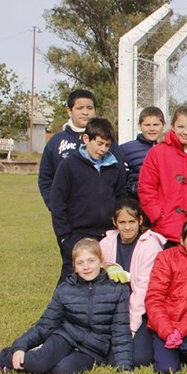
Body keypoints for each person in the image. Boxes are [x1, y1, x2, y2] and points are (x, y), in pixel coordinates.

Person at [0, 238, 132, 374]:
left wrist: (124, 366)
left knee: (63, 372)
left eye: (91, 261)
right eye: (80, 263)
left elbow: (121, 330)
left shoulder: (118, 289)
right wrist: (19, 346)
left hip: (92, 349)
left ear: (101, 261)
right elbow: (45, 324)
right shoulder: (65, 289)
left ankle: (18, 367)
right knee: (40, 362)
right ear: (74, 266)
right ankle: (4, 357)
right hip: (66, 337)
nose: (86, 267)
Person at [50, 117, 126, 283]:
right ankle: (59, 310)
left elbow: (121, 198)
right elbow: (58, 202)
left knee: (104, 279)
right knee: (71, 281)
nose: (103, 149)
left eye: (107, 145)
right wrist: (64, 236)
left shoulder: (114, 167)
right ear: (86, 139)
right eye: (99, 143)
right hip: (77, 234)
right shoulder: (69, 165)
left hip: (107, 234)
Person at [99, 198, 166, 367]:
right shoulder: (106, 243)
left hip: (142, 311)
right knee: (106, 355)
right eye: (122, 222)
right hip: (113, 308)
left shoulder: (150, 246)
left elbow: (143, 289)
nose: (127, 227)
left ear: (140, 221)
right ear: (115, 222)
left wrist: (131, 327)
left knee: (139, 358)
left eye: (132, 221)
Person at [139, 105, 187, 247]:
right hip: (167, 228)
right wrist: (158, 216)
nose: (185, 132)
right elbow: (147, 188)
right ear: (172, 126)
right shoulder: (158, 152)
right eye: (180, 127)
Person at [145, 219, 187, 374]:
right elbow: (154, 298)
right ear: (182, 241)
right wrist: (167, 331)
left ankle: (180, 347)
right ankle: (163, 346)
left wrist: (180, 331)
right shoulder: (166, 257)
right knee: (167, 370)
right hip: (164, 321)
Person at [38, 89, 97, 210]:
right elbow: (45, 177)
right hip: (67, 213)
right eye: (80, 108)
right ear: (69, 111)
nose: (85, 112)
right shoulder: (56, 141)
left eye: (89, 108)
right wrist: (54, 205)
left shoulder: (106, 140)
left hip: (100, 215)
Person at [120, 106, 165, 199]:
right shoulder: (126, 149)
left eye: (156, 125)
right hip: (136, 201)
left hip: (163, 201)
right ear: (140, 126)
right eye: (147, 125)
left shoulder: (170, 148)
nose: (152, 129)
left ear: (163, 125)